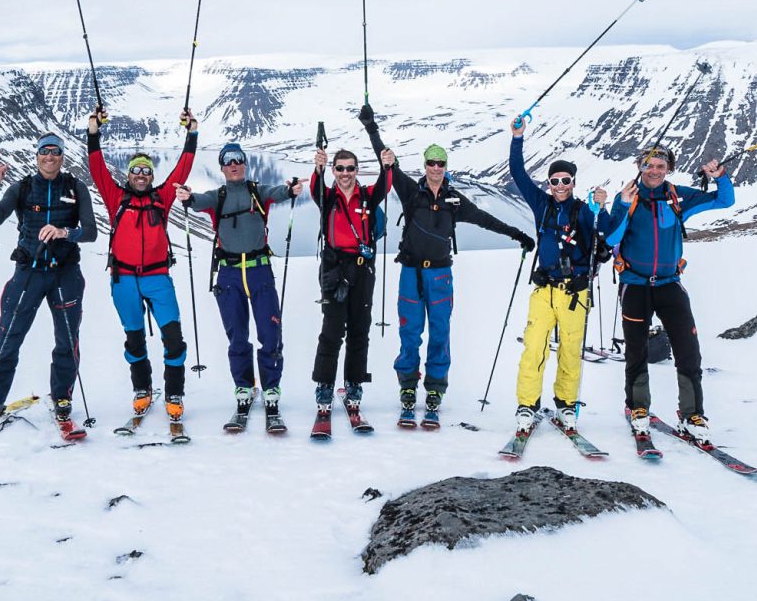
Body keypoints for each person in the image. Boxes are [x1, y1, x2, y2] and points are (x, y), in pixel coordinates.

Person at [363, 105, 535, 427]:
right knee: (409, 333)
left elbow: (485, 220)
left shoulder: (455, 200)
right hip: (411, 273)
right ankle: (408, 387)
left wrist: (517, 234)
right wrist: (372, 128)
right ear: (424, 165)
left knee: (440, 333)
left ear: (446, 166)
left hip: (441, 274)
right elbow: (385, 159)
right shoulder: (409, 191)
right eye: (431, 162)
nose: (436, 168)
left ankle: (435, 389)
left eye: (441, 163)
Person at [603, 145, 734, 442]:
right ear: (639, 166)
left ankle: (692, 414)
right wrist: (623, 205)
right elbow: (611, 237)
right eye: (649, 165)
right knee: (637, 350)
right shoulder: (628, 197)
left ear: (668, 169)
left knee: (688, 350)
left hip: (669, 284)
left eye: (661, 166)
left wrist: (720, 176)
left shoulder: (678, 196)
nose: (654, 170)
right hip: (634, 284)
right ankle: (637, 408)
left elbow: (725, 200)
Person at [507, 118, 624, 433]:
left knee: (571, 351)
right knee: (534, 347)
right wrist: (517, 138)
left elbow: (608, 235)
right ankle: (527, 406)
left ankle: (566, 406)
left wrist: (605, 206)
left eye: (565, 181)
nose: (559, 186)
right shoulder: (541, 205)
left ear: (573, 183)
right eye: (554, 181)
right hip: (544, 290)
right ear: (548, 184)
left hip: (575, 293)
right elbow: (517, 173)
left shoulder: (584, 211)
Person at [176, 142, 303, 431]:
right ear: (221, 167)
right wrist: (185, 195)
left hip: (259, 272)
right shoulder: (217, 197)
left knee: (270, 334)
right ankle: (244, 388)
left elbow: (281, 192)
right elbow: (194, 201)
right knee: (237, 337)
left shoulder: (257, 191)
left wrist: (292, 188)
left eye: (238, 160)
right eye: (227, 161)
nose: (233, 164)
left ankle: (271, 390)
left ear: (245, 164)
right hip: (229, 275)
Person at [0, 133, 98, 428]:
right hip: (28, 272)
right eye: (44, 151)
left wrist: (65, 232)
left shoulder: (75, 187)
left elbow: (91, 231)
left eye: (55, 151)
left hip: (65, 273)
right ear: (38, 155)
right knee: (8, 337)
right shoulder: (23, 187)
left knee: (67, 339)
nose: (49, 157)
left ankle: (62, 397)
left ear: (63, 156)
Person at [87, 105, 198, 423]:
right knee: (133, 338)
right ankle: (143, 389)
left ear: (151, 176)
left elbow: (182, 171)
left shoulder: (162, 197)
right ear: (129, 175)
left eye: (146, 171)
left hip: (157, 277)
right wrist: (94, 132)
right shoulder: (115, 198)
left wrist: (192, 133)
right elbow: (97, 168)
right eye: (136, 171)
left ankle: (174, 393)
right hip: (123, 278)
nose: (140, 175)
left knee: (173, 338)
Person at [307, 138, 393, 434]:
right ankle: (324, 388)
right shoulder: (327, 197)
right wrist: (317, 170)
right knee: (332, 330)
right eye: (340, 168)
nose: (346, 173)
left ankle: (354, 387)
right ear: (333, 170)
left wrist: (387, 165)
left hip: (362, 271)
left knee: (360, 330)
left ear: (357, 170)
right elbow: (314, 188)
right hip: (333, 270)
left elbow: (386, 185)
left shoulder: (368, 196)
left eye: (351, 168)